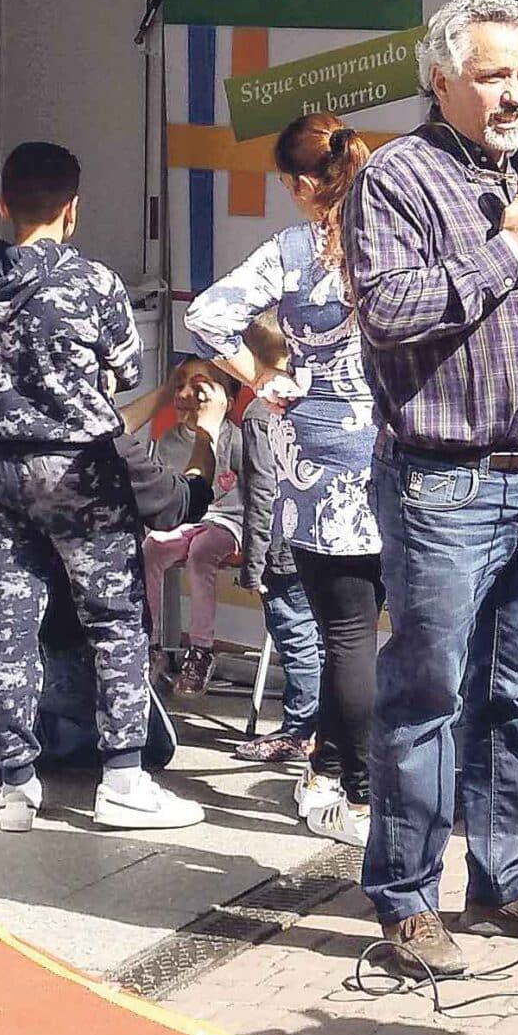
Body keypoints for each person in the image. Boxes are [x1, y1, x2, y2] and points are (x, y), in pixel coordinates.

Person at [343, 0, 518, 979]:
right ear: (442, 78)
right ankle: (408, 899)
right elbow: (388, 310)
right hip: (444, 484)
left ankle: (511, 876)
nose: (512, 93)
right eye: (494, 73)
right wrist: (504, 251)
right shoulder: (395, 179)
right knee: (425, 696)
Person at [0, 140, 202, 834]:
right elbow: (123, 371)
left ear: (4, 203)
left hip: (2, 468)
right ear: (73, 208)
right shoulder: (94, 283)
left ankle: (14, 787)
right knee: (115, 620)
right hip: (79, 471)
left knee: (7, 624)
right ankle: (123, 779)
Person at [186, 112, 383, 843]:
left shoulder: (294, 251)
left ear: (302, 185)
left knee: (347, 636)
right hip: (400, 453)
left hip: (319, 459)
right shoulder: (398, 240)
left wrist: (266, 379)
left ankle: (356, 794)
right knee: (390, 634)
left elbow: (209, 315)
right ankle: (333, 769)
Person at [233, 315, 323, 765]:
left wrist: (253, 562)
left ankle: (300, 729)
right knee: (327, 638)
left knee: (296, 637)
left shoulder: (259, 411)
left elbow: (263, 490)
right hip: (325, 533)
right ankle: (328, 729)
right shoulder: (318, 395)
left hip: (283, 544)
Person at [133, 359, 245, 693]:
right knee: (150, 549)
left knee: (201, 553)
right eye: (179, 385)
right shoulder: (168, 440)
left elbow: (256, 493)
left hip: (226, 521)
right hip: (184, 521)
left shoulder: (236, 439)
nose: (184, 394)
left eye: (198, 388)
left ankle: (201, 649)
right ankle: (150, 643)